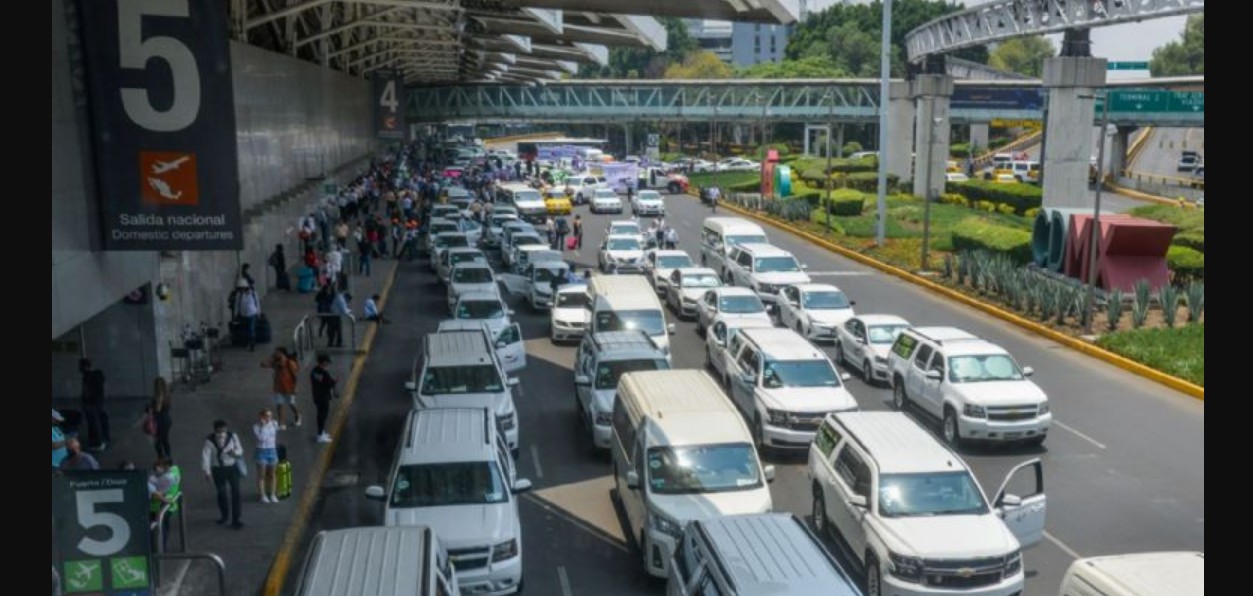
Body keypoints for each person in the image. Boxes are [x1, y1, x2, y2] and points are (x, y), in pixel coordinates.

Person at [201, 419, 245, 529]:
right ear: (215, 430)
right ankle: (224, 516)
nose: (222, 434)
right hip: (218, 469)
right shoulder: (209, 441)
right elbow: (206, 457)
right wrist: (207, 472)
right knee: (222, 493)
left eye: (224, 431)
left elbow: (240, 449)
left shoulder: (233, 436)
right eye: (219, 431)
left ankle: (236, 519)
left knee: (236, 493)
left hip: (232, 467)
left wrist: (234, 453)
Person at [261, 347, 301, 430]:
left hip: (289, 387)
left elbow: (295, 376)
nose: (275, 354)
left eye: (277, 352)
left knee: (291, 403)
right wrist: (271, 357)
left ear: (282, 353)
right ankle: (281, 423)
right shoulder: (275, 363)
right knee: (280, 405)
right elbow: (262, 364)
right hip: (278, 388)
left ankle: (297, 415)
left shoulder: (289, 362)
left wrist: (295, 387)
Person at [148, 458, 181, 552]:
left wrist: (151, 479)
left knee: (160, 528)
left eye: (160, 466)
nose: (158, 468)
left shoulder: (166, 477)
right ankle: (161, 547)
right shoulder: (175, 470)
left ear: (166, 466)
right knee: (164, 527)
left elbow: (157, 491)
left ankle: (159, 548)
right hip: (169, 505)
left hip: (161, 505)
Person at [80, 358, 109, 451]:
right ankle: (102, 439)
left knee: (94, 422)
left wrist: (85, 402)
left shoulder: (88, 376)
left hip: (91, 403)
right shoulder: (99, 374)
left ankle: (97, 442)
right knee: (99, 420)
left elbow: (86, 391)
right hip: (99, 401)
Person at [253, 409, 280, 503]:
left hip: (272, 450)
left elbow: (274, 433)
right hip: (261, 451)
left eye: (270, 416)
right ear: (261, 416)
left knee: (272, 474)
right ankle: (262, 495)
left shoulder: (274, 424)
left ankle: (272, 494)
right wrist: (264, 426)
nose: (268, 418)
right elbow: (262, 438)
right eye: (266, 416)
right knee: (262, 475)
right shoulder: (256, 427)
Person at [310, 355, 338, 444]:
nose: (327, 364)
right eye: (327, 362)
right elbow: (328, 384)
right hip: (323, 397)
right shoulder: (325, 373)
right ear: (323, 362)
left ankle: (322, 432)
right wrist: (335, 381)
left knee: (320, 415)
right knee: (323, 416)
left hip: (316, 396)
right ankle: (320, 436)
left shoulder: (314, 371)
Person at [150, 376, 173, 459]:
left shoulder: (158, 397)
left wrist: (151, 408)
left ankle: (162, 457)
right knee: (164, 440)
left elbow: (157, 409)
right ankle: (167, 456)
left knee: (158, 442)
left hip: (160, 421)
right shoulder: (167, 396)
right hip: (167, 420)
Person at [234, 280, 261, 352]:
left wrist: (258, 312)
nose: (242, 289)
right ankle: (247, 342)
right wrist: (236, 314)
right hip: (243, 315)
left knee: (251, 329)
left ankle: (252, 344)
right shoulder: (239, 295)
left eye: (243, 288)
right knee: (245, 329)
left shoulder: (253, 293)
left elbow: (257, 303)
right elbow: (237, 305)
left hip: (252, 314)